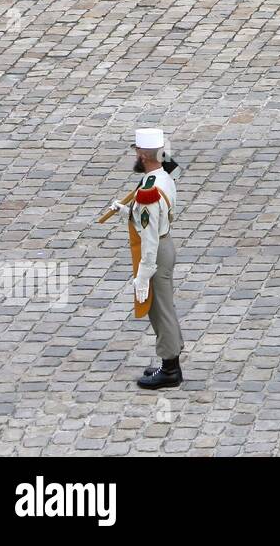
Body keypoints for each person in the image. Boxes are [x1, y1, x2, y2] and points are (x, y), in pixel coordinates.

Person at [105, 128, 185, 390]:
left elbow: (149, 238)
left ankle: (170, 369)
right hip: (165, 243)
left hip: (156, 252)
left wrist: (143, 274)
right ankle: (169, 361)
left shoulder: (147, 193)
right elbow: (150, 218)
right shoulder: (163, 176)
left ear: (142, 155)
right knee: (164, 307)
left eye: (138, 152)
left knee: (160, 311)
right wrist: (127, 211)